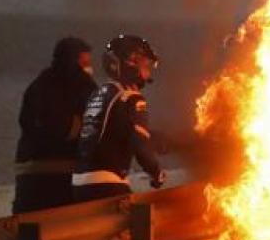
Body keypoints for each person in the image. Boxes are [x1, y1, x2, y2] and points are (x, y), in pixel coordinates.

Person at [72, 34, 166, 202]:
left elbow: (110, 131)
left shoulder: (98, 94)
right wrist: (156, 172)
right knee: (150, 215)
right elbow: (140, 144)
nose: (148, 72)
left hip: (79, 183)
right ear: (131, 63)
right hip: (107, 182)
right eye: (145, 64)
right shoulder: (131, 97)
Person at [13, 37, 97, 214]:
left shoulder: (37, 86)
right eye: (85, 63)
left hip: (29, 176)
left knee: (29, 226)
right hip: (66, 176)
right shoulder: (84, 87)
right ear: (74, 62)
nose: (89, 68)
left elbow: (27, 122)